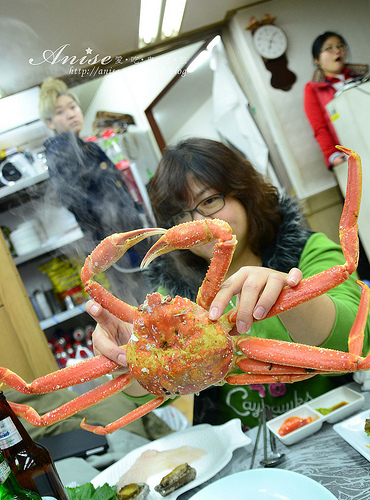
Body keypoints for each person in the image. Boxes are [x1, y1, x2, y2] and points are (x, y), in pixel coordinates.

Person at [86, 137, 370, 430]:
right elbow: (156, 392)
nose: (198, 222)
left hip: (340, 422)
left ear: (244, 193)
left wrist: (289, 297)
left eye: (209, 201)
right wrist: (126, 357)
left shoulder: (309, 251)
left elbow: (355, 347)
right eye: (181, 215)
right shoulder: (173, 303)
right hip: (239, 446)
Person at [38, 78, 148, 302]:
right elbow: (75, 201)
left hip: (128, 237)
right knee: (144, 302)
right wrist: (110, 226)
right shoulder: (61, 150)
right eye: (61, 112)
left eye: (73, 107)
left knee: (152, 297)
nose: (71, 114)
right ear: (50, 122)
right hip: (115, 244)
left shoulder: (87, 146)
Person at [304, 32, 368, 169]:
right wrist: (332, 154)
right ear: (316, 59)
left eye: (340, 46)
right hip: (350, 153)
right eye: (329, 48)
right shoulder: (313, 89)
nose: (337, 51)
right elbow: (320, 127)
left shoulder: (364, 75)